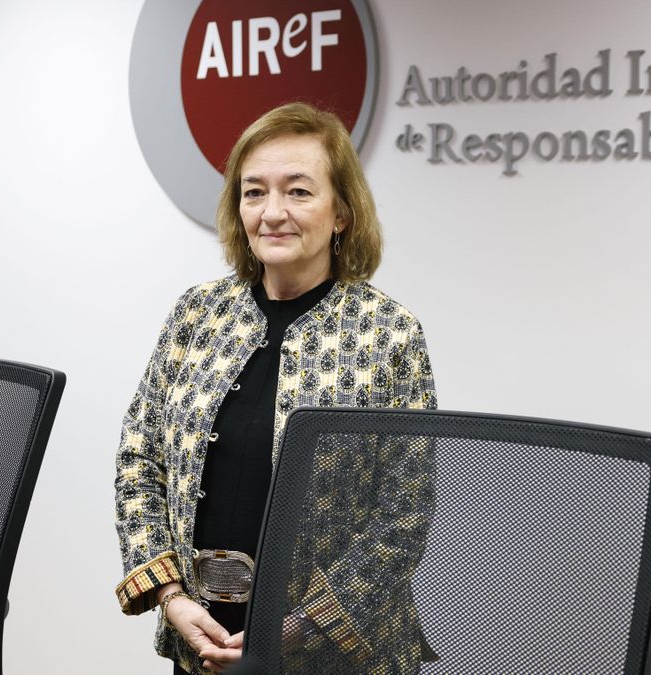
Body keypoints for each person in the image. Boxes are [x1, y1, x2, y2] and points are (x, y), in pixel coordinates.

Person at [114, 103, 438, 674]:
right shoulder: (198, 315)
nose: (272, 213)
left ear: (341, 213)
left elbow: (404, 514)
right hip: (202, 636)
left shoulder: (389, 334)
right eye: (254, 192)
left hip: (334, 655)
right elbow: (140, 456)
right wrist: (173, 600)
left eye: (299, 192)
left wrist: (293, 629)